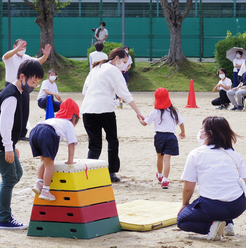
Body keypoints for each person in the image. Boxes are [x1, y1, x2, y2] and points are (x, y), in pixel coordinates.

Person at [0, 60, 44, 230]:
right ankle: (4, 218)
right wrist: (8, 147)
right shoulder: (11, 95)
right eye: (33, 82)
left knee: (16, 173)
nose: (34, 85)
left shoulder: (21, 92)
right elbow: (5, 124)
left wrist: (13, 144)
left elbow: (17, 122)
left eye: (37, 83)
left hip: (5, 142)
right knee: (9, 177)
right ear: (22, 77)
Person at [177, 116, 246, 241]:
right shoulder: (235, 154)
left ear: (209, 133)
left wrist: (184, 204)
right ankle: (228, 223)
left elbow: (189, 188)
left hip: (212, 206)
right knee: (224, 194)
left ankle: (211, 227)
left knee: (182, 220)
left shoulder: (196, 154)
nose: (200, 132)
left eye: (201, 129)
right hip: (239, 205)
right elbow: (245, 182)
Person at [80, 48, 144, 183]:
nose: (125, 65)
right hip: (104, 110)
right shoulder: (113, 70)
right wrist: (138, 112)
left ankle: (88, 174)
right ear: (116, 58)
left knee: (94, 144)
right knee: (112, 141)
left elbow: (85, 90)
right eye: (124, 61)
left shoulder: (96, 69)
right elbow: (124, 93)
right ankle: (111, 172)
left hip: (87, 110)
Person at [31, 98, 80, 201]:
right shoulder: (69, 124)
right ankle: (45, 191)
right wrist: (70, 161)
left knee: (44, 161)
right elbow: (71, 143)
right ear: (74, 118)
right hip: (47, 133)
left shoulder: (53, 119)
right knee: (49, 165)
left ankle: (39, 184)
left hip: (35, 130)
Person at [2, 39, 51, 141]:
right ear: (14, 46)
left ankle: (22, 133)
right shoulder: (11, 57)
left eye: (24, 46)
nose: (22, 48)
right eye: (20, 46)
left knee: (24, 110)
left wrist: (45, 55)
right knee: (11, 110)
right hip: (11, 86)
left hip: (24, 86)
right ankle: (9, 133)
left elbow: (37, 62)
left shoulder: (26, 58)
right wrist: (16, 50)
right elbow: (5, 56)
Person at [138, 88, 185, 189]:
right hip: (171, 137)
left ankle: (160, 175)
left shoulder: (155, 111)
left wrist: (140, 119)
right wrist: (182, 132)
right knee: (167, 160)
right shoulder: (173, 111)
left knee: (160, 157)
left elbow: (145, 123)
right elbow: (181, 123)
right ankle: (165, 180)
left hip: (159, 136)